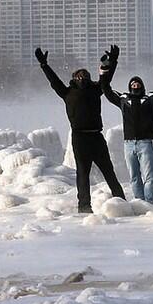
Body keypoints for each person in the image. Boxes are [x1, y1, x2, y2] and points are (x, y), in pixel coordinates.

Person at [35, 44, 126, 213]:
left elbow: (107, 79)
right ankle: (84, 206)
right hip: (79, 138)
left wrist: (113, 60)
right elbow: (53, 81)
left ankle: (120, 200)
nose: (82, 77)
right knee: (82, 174)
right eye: (79, 76)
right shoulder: (67, 92)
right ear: (74, 79)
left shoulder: (96, 89)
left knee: (108, 171)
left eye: (85, 75)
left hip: (96, 136)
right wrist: (44, 65)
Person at [102, 59, 153, 204]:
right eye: (132, 84)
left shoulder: (151, 99)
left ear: (142, 86)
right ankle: (139, 202)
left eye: (137, 84)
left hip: (145, 143)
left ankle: (149, 203)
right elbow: (106, 90)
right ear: (129, 87)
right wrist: (105, 70)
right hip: (129, 144)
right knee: (134, 176)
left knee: (149, 176)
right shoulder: (123, 100)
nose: (135, 86)